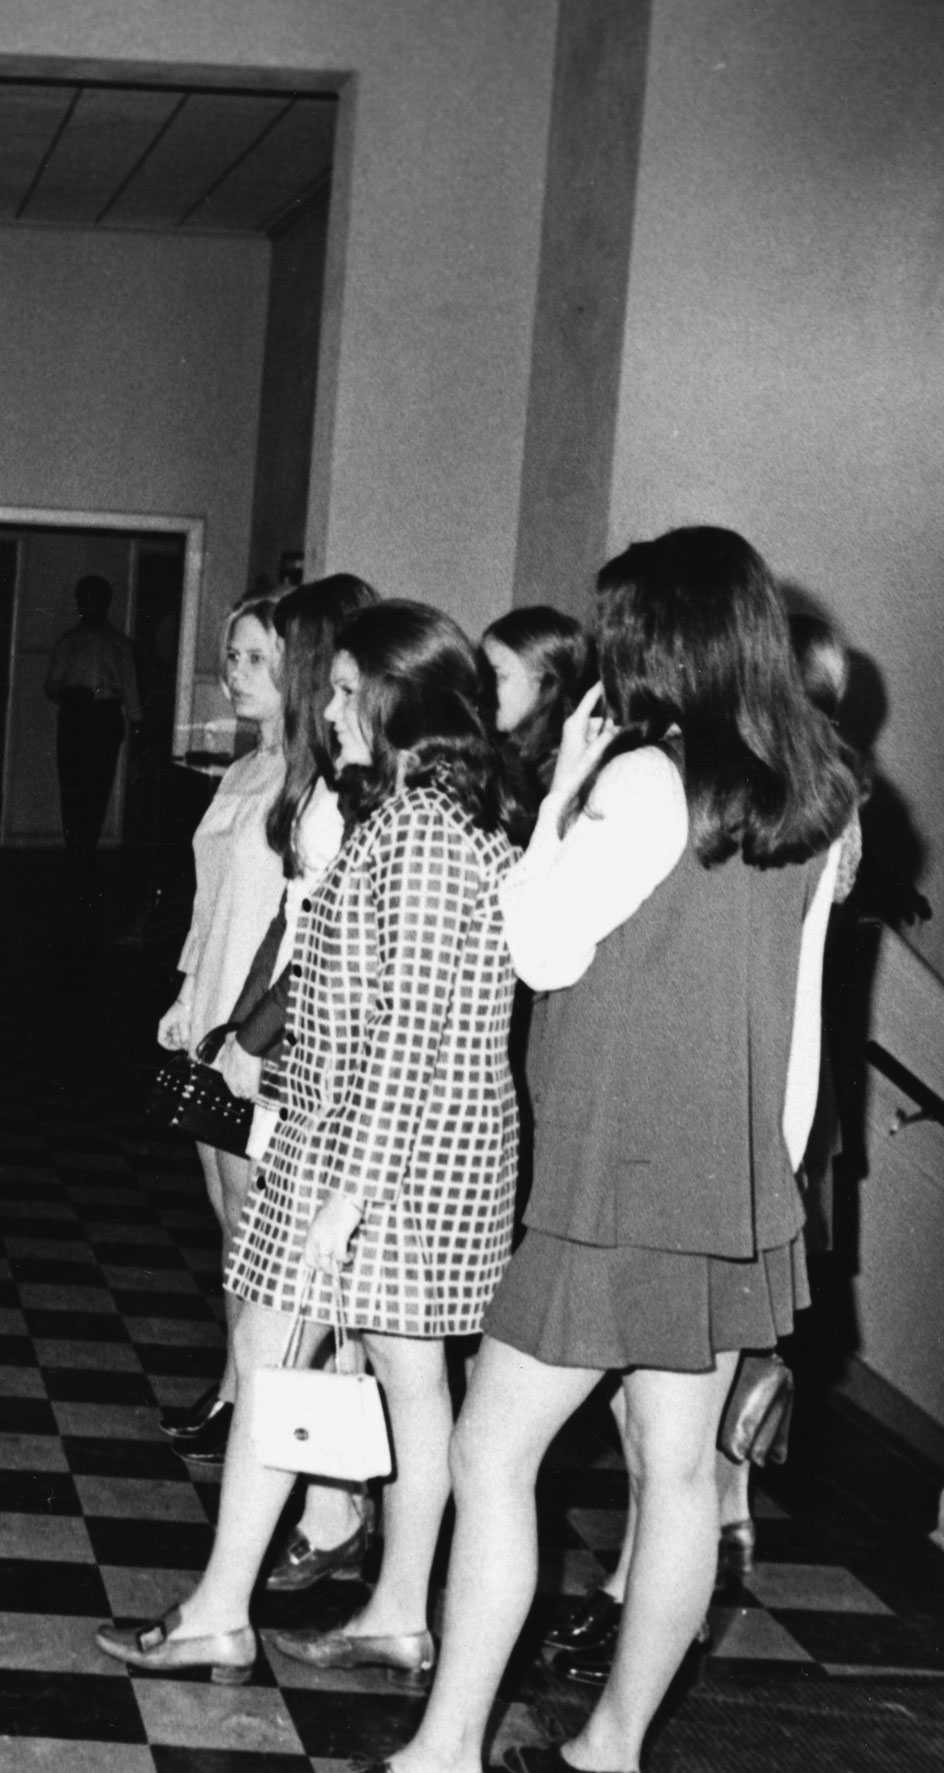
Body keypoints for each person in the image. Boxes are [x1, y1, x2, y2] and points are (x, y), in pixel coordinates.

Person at [373, 527, 857, 1773]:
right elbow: (800, 1023)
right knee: (677, 1475)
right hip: (729, 1184)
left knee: (490, 1453)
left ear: (656, 642)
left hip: (611, 1181)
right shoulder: (823, 800)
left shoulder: (644, 778)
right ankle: (611, 1748)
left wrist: (563, 799)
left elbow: (535, 948)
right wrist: (766, 1180)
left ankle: (444, 1750)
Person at [100, 599, 518, 1691]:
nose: (326, 710)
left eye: (343, 691)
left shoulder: (420, 832)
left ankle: (223, 1614)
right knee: (406, 1382)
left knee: (277, 1356)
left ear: (401, 699)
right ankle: (392, 1613)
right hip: (386, 1147)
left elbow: (409, 1036)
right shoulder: (421, 815)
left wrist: (346, 1195)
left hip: (377, 1159)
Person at [153, 595, 284, 1432]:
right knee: (226, 1211)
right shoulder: (242, 771)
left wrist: (253, 1029)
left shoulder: (307, 778)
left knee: (254, 1216)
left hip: (256, 1029)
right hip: (212, 1012)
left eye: (255, 658)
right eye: (231, 656)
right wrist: (185, 991)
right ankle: (235, 1381)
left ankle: (247, 1398)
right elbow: (210, 902)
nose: (235, 673)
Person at [42, 573, 142, 859]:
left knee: (98, 785)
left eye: (96, 600)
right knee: (72, 784)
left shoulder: (119, 644)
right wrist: (68, 695)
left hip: (104, 717)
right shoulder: (68, 643)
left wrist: (136, 723)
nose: (90, 606)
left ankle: (88, 848)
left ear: (105, 604)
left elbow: (131, 688)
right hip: (75, 716)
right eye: (85, 600)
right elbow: (51, 685)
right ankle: (74, 849)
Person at [482, 606, 593, 843]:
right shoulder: (499, 751)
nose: (483, 688)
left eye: (499, 676)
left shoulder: (564, 771)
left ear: (544, 681)